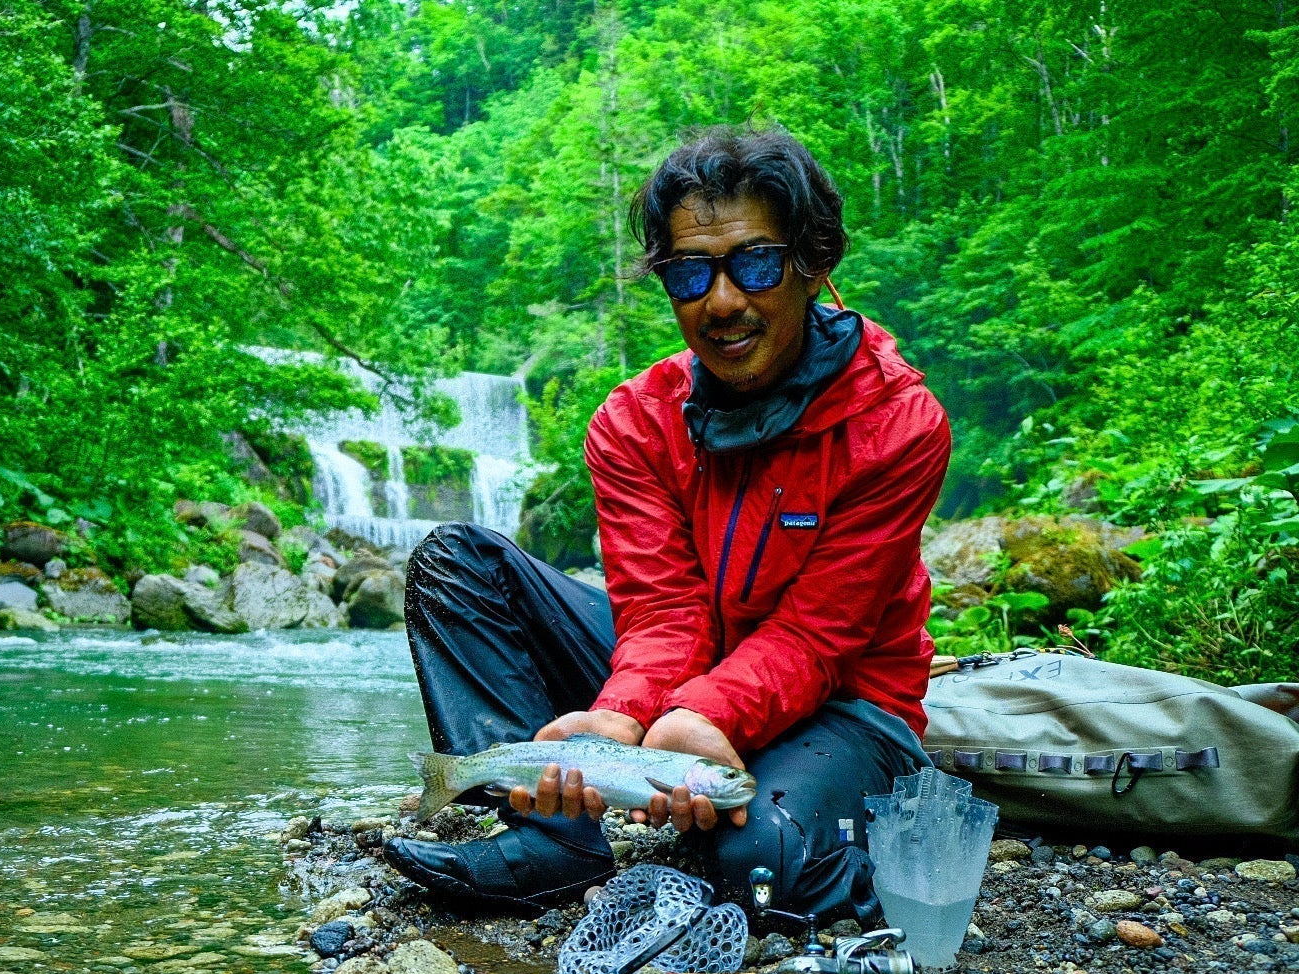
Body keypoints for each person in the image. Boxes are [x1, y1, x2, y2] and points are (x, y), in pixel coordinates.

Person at [383, 125, 951, 924]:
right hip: (682, 681)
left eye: (754, 264)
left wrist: (705, 715)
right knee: (457, 562)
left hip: (845, 700)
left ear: (814, 264)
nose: (722, 302)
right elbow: (660, 611)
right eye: (690, 274)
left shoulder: (899, 424)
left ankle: (843, 824)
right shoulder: (632, 421)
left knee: (760, 872)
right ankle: (550, 835)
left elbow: (819, 638)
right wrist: (622, 716)